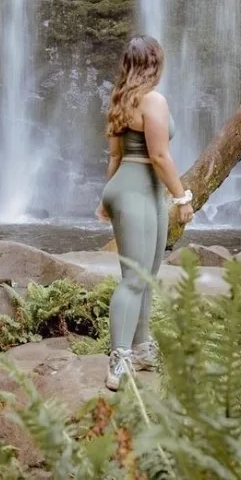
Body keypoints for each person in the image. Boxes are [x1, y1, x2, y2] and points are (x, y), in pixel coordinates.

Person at [95, 35, 195, 391]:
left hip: (140, 190)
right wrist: (183, 198)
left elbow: (114, 157)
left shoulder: (121, 99)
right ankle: (118, 358)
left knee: (147, 275)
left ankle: (141, 347)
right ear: (155, 63)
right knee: (135, 278)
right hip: (137, 190)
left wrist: (106, 196)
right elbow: (159, 156)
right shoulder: (153, 100)